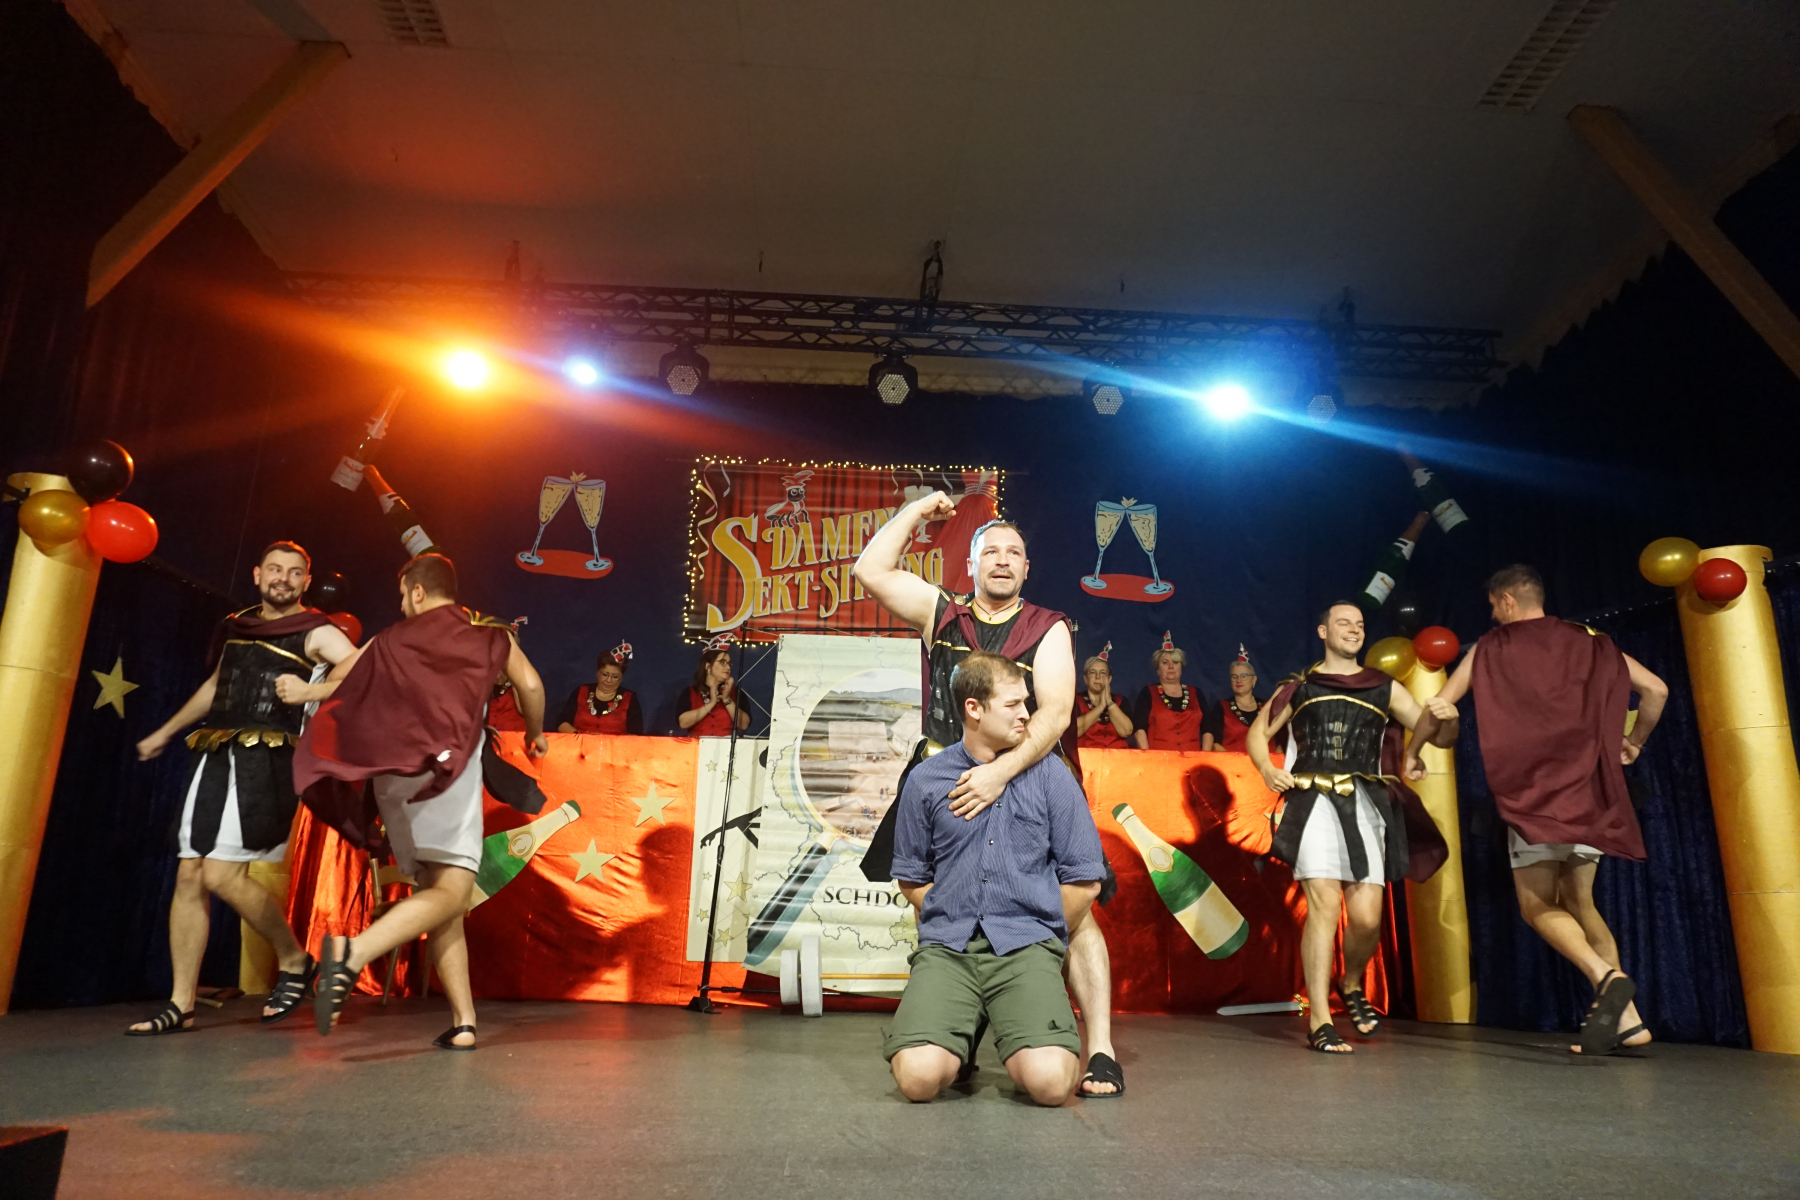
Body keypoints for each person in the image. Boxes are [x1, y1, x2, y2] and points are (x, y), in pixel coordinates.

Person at [854, 493, 1124, 1100]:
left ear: (1027, 568)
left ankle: (1100, 1048)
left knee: (1078, 913)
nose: (1002, 560)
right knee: (940, 905)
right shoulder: (941, 613)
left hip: (1026, 776)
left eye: (1014, 553)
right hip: (948, 775)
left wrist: (999, 774)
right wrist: (917, 512)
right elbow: (870, 570)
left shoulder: (1047, 627)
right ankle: (956, 1034)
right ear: (971, 564)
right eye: (991, 551)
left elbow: (1054, 714)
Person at [1408, 564, 1667, 1056]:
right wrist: (1634, 741)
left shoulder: (1491, 647)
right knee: (1581, 903)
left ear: (1507, 600)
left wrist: (1413, 752)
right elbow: (1657, 690)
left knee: (1536, 905)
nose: (1492, 615)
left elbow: (1438, 704)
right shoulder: (1593, 642)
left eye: (1493, 605)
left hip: (1537, 797)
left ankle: (1606, 977)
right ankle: (1628, 1024)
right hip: (1592, 794)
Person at [294, 553, 548, 1050]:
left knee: (437, 896)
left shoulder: (389, 639)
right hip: (444, 771)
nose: (402, 605)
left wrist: (306, 690)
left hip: (391, 779)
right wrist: (535, 733)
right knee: (453, 892)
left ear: (416, 591)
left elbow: (343, 675)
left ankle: (463, 1022)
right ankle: (351, 954)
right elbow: (532, 685)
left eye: (402, 596)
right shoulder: (490, 634)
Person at [128, 541, 358, 1035]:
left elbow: (364, 673)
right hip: (215, 754)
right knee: (190, 874)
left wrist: (312, 691)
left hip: (266, 763)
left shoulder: (316, 631)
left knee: (221, 875)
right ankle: (181, 1003)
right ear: (257, 574)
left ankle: (294, 959)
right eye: (275, 569)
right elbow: (216, 687)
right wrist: (166, 731)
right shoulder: (238, 626)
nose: (283, 579)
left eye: (294, 572)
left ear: (305, 582)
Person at [885, 653, 1105, 1105]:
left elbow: (1085, 881)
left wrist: (1034, 928)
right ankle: (956, 1035)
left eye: (1027, 702)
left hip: (1026, 949)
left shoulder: (1053, 777)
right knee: (917, 1080)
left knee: (1051, 1084)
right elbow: (911, 877)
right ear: (974, 709)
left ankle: (1011, 1026)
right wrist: (954, 913)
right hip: (949, 951)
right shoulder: (926, 780)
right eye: (1013, 704)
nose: (1027, 714)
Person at [1245, 602, 1456, 1054]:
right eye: (1344, 623)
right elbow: (1257, 734)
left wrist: (1449, 719)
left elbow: (1436, 734)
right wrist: (1266, 768)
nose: (1354, 630)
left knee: (1366, 917)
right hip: (1314, 802)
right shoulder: (1300, 686)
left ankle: (1352, 981)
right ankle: (1320, 1020)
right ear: (1323, 631)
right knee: (1324, 905)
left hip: (1365, 804)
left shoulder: (1383, 686)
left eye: (1359, 624)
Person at [1132, 632, 1208, 751]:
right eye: (1165, 663)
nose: (1171, 666)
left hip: (1193, 758)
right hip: (1158, 758)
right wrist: (1148, 757)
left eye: (1175, 662)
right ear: (1158, 669)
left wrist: (1204, 757)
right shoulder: (1148, 693)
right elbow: (1139, 730)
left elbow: (1208, 730)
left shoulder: (1196, 693)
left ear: (1181, 667)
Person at [556, 642, 643, 735]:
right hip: (580, 743)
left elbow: (636, 735)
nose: (609, 680)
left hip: (615, 745)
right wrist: (581, 737)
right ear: (597, 673)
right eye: (605, 674)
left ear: (622, 677)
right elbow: (562, 723)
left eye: (615, 676)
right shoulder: (581, 692)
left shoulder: (629, 698)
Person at [1201, 645, 1263, 753]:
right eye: (1234, 677)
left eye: (1244, 676)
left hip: (1265, 763)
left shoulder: (1267, 707)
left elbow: (1280, 742)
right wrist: (1234, 761)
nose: (1239, 680)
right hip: (1231, 762)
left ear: (1254, 679)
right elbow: (1215, 744)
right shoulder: (1221, 707)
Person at [1073, 642, 1133, 751]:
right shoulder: (1076, 700)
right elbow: (1074, 731)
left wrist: (1109, 702)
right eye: (1092, 672)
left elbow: (1126, 731)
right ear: (1085, 679)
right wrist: (1100, 707)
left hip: (1118, 758)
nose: (1097, 677)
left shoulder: (1120, 700)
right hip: (1086, 758)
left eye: (1102, 673)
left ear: (1109, 679)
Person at [679, 644, 750, 735]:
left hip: (727, 743)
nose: (728, 667)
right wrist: (711, 703)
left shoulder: (736, 692)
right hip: (698, 743)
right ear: (708, 666)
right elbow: (683, 723)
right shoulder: (691, 691)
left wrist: (727, 699)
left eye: (729, 664)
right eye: (722, 662)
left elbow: (744, 725)